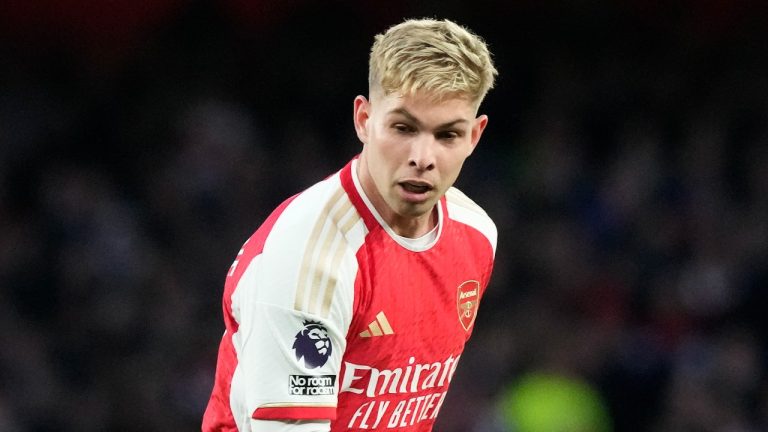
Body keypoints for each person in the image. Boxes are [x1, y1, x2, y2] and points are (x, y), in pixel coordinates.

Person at [202, 17, 498, 431]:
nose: (423, 158)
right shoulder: (309, 258)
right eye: (403, 128)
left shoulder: (476, 234)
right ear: (364, 119)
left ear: (474, 137)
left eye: (447, 135)